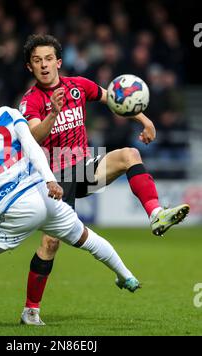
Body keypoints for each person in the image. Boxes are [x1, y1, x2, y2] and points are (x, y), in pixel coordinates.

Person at [0, 79, 140, 331]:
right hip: (44, 195)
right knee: (86, 238)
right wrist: (51, 181)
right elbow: (32, 147)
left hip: (11, 208)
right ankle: (126, 275)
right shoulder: (6, 113)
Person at [19, 34, 190, 325]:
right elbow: (33, 137)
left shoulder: (78, 86)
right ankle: (30, 310)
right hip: (55, 176)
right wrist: (54, 114)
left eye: (48, 59)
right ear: (30, 67)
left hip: (83, 166)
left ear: (59, 62)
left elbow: (115, 99)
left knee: (129, 155)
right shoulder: (31, 101)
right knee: (51, 243)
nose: (44, 65)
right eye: (37, 61)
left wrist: (145, 120)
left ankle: (156, 215)